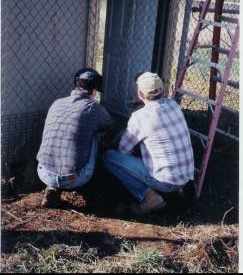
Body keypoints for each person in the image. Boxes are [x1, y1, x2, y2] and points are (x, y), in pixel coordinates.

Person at [103, 72, 194, 215]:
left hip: (166, 182)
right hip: (186, 177)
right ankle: (178, 192)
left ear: (140, 94)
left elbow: (123, 150)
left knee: (109, 157)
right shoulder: (174, 105)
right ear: (163, 91)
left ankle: (148, 197)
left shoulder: (139, 117)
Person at [37, 68, 112, 207]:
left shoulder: (57, 103)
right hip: (73, 178)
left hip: (44, 171)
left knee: (62, 134)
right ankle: (93, 185)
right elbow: (109, 125)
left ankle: (53, 187)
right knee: (94, 135)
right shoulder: (93, 107)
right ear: (93, 91)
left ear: (76, 86)